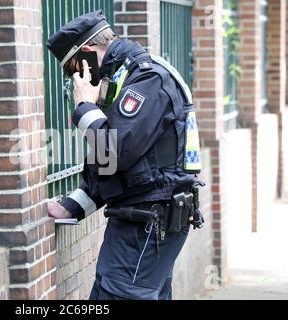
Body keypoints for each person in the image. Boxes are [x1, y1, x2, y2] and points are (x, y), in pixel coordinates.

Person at [46, 10, 204, 300]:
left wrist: (84, 107)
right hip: (144, 219)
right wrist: (75, 204)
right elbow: (123, 163)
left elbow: (115, 152)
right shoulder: (127, 76)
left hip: (147, 223)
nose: (74, 78)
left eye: (73, 69)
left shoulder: (147, 78)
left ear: (88, 53)